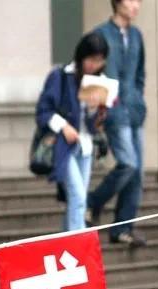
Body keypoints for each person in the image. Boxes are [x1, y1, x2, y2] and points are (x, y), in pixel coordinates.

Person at [86, 0, 147, 246]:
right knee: (128, 164)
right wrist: (99, 113)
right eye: (131, 0)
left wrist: (139, 99)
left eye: (138, 2)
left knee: (137, 173)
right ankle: (93, 202)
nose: (135, 6)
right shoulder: (101, 34)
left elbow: (140, 74)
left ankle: (122, 228)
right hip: (112, 110)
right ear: (117, 3)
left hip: (134, 111)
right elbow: (92, 73)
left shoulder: (137, 36)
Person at [36, 33, 110, 231]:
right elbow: (43, 110)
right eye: (92, 59)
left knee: (77, 199)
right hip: (63, 146)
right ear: (82, 56)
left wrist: (96, 109)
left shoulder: (99, 82)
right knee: (78, 197)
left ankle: (67, 245)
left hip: (85, 145)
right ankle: (79, 245)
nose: (95, 65)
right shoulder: (60, 75)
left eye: (100, 61)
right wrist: (63, 126)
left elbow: (94, 125)